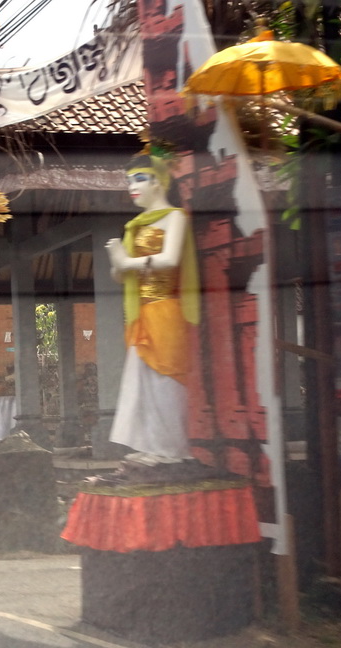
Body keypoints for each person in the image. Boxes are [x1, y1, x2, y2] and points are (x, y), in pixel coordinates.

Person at [104, 142, 200, 469]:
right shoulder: (136, 226)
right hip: (142, 313)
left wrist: (126, 261)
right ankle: (150, 446)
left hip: (167, 308)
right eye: (130, 180)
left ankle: (172, 449)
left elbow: (170, 260)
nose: (132, 187)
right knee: (140, 382)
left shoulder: (175, 218)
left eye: (140, 179)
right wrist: (117, 260)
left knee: (166, 381)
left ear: (159, 181)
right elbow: (121, 276)